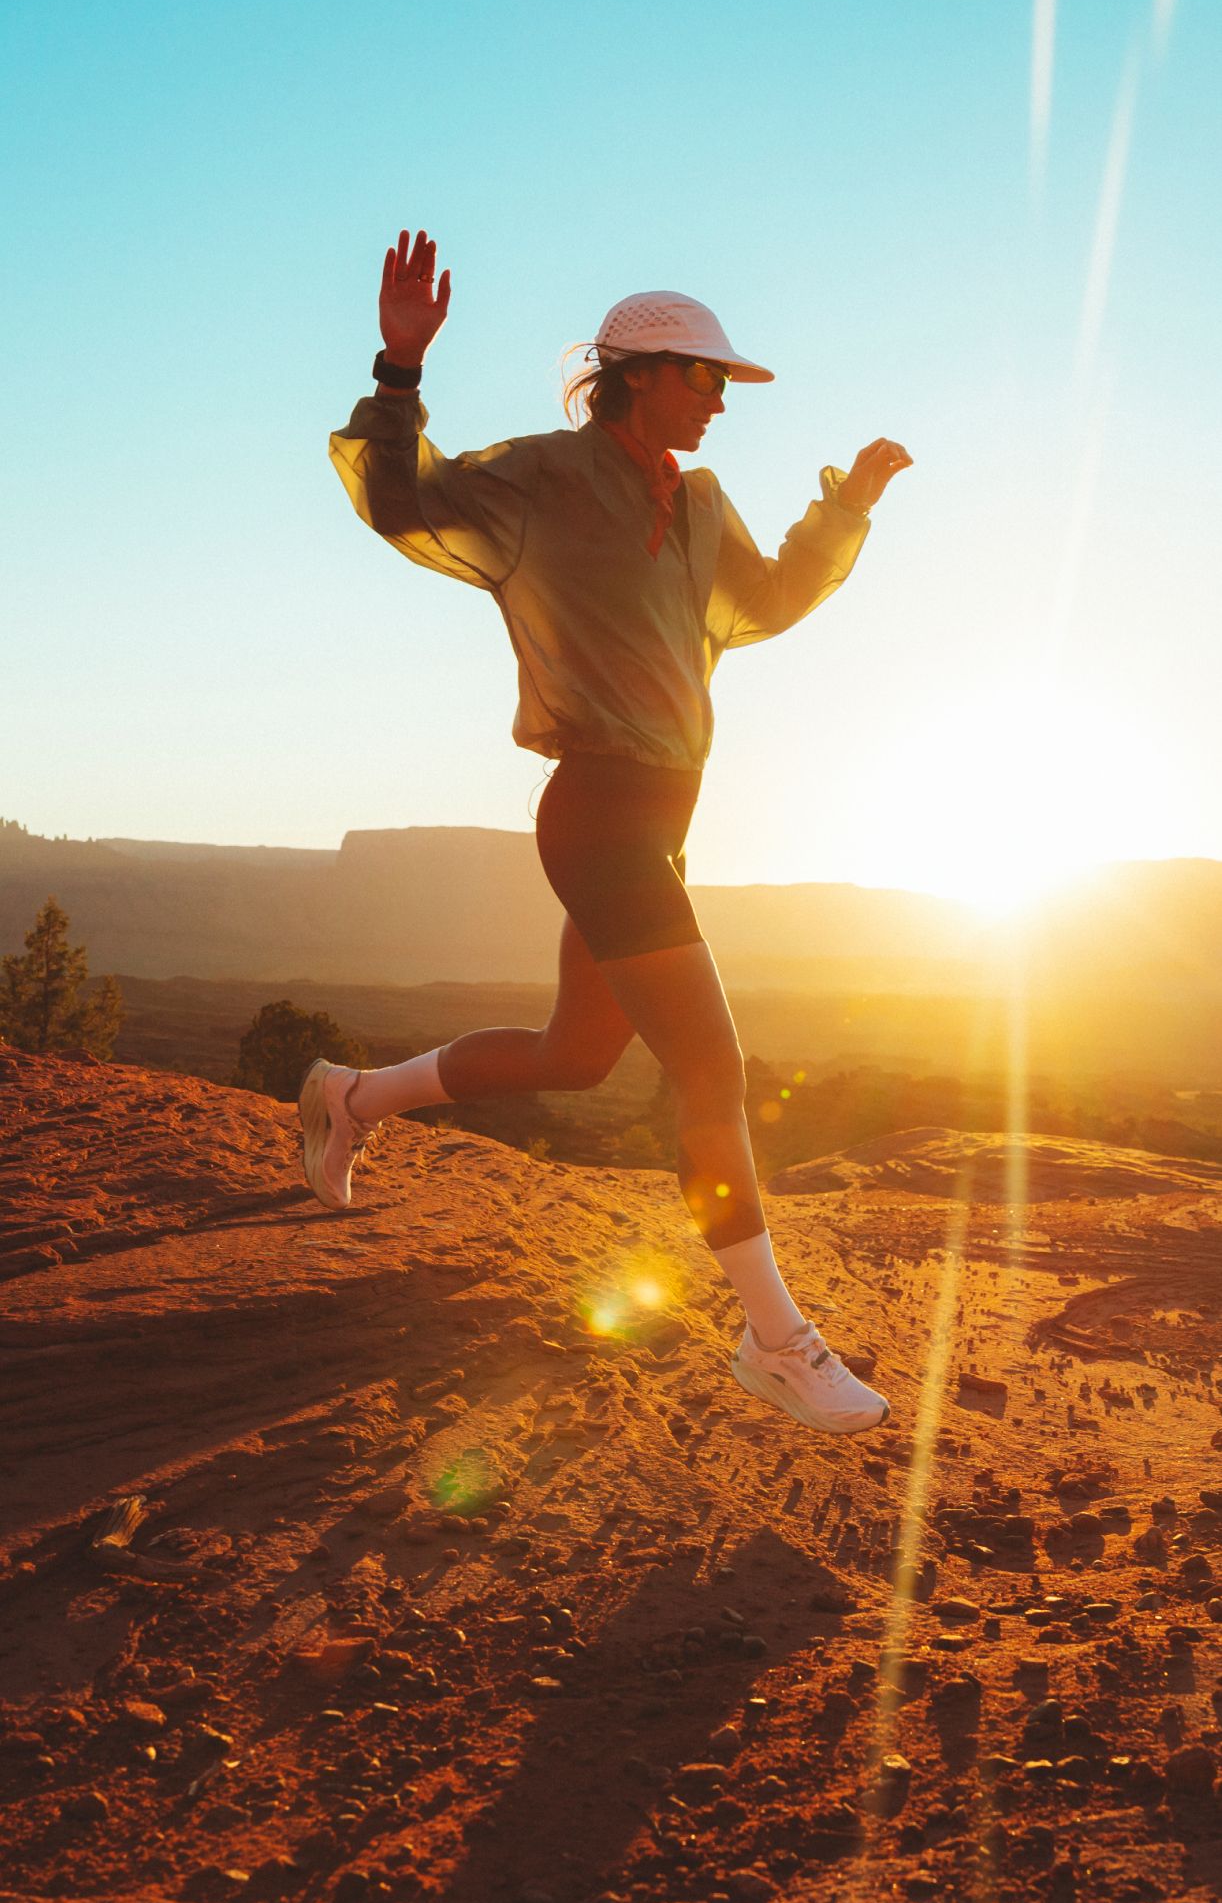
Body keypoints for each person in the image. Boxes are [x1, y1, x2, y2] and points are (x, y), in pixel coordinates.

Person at [305, 226, 912, 1437]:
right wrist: (399, 367)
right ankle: (775, 1341)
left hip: (662, 818)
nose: (721, 403)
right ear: (634, 371)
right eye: (706, 378)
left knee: (576, 1054)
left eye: (726, 383)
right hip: (595, 814)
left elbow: (771, 600)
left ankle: (351, 1096)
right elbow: (396, 500)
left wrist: (846, 505)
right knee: (712, 1068)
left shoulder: (698, 503)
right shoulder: (538, 476)